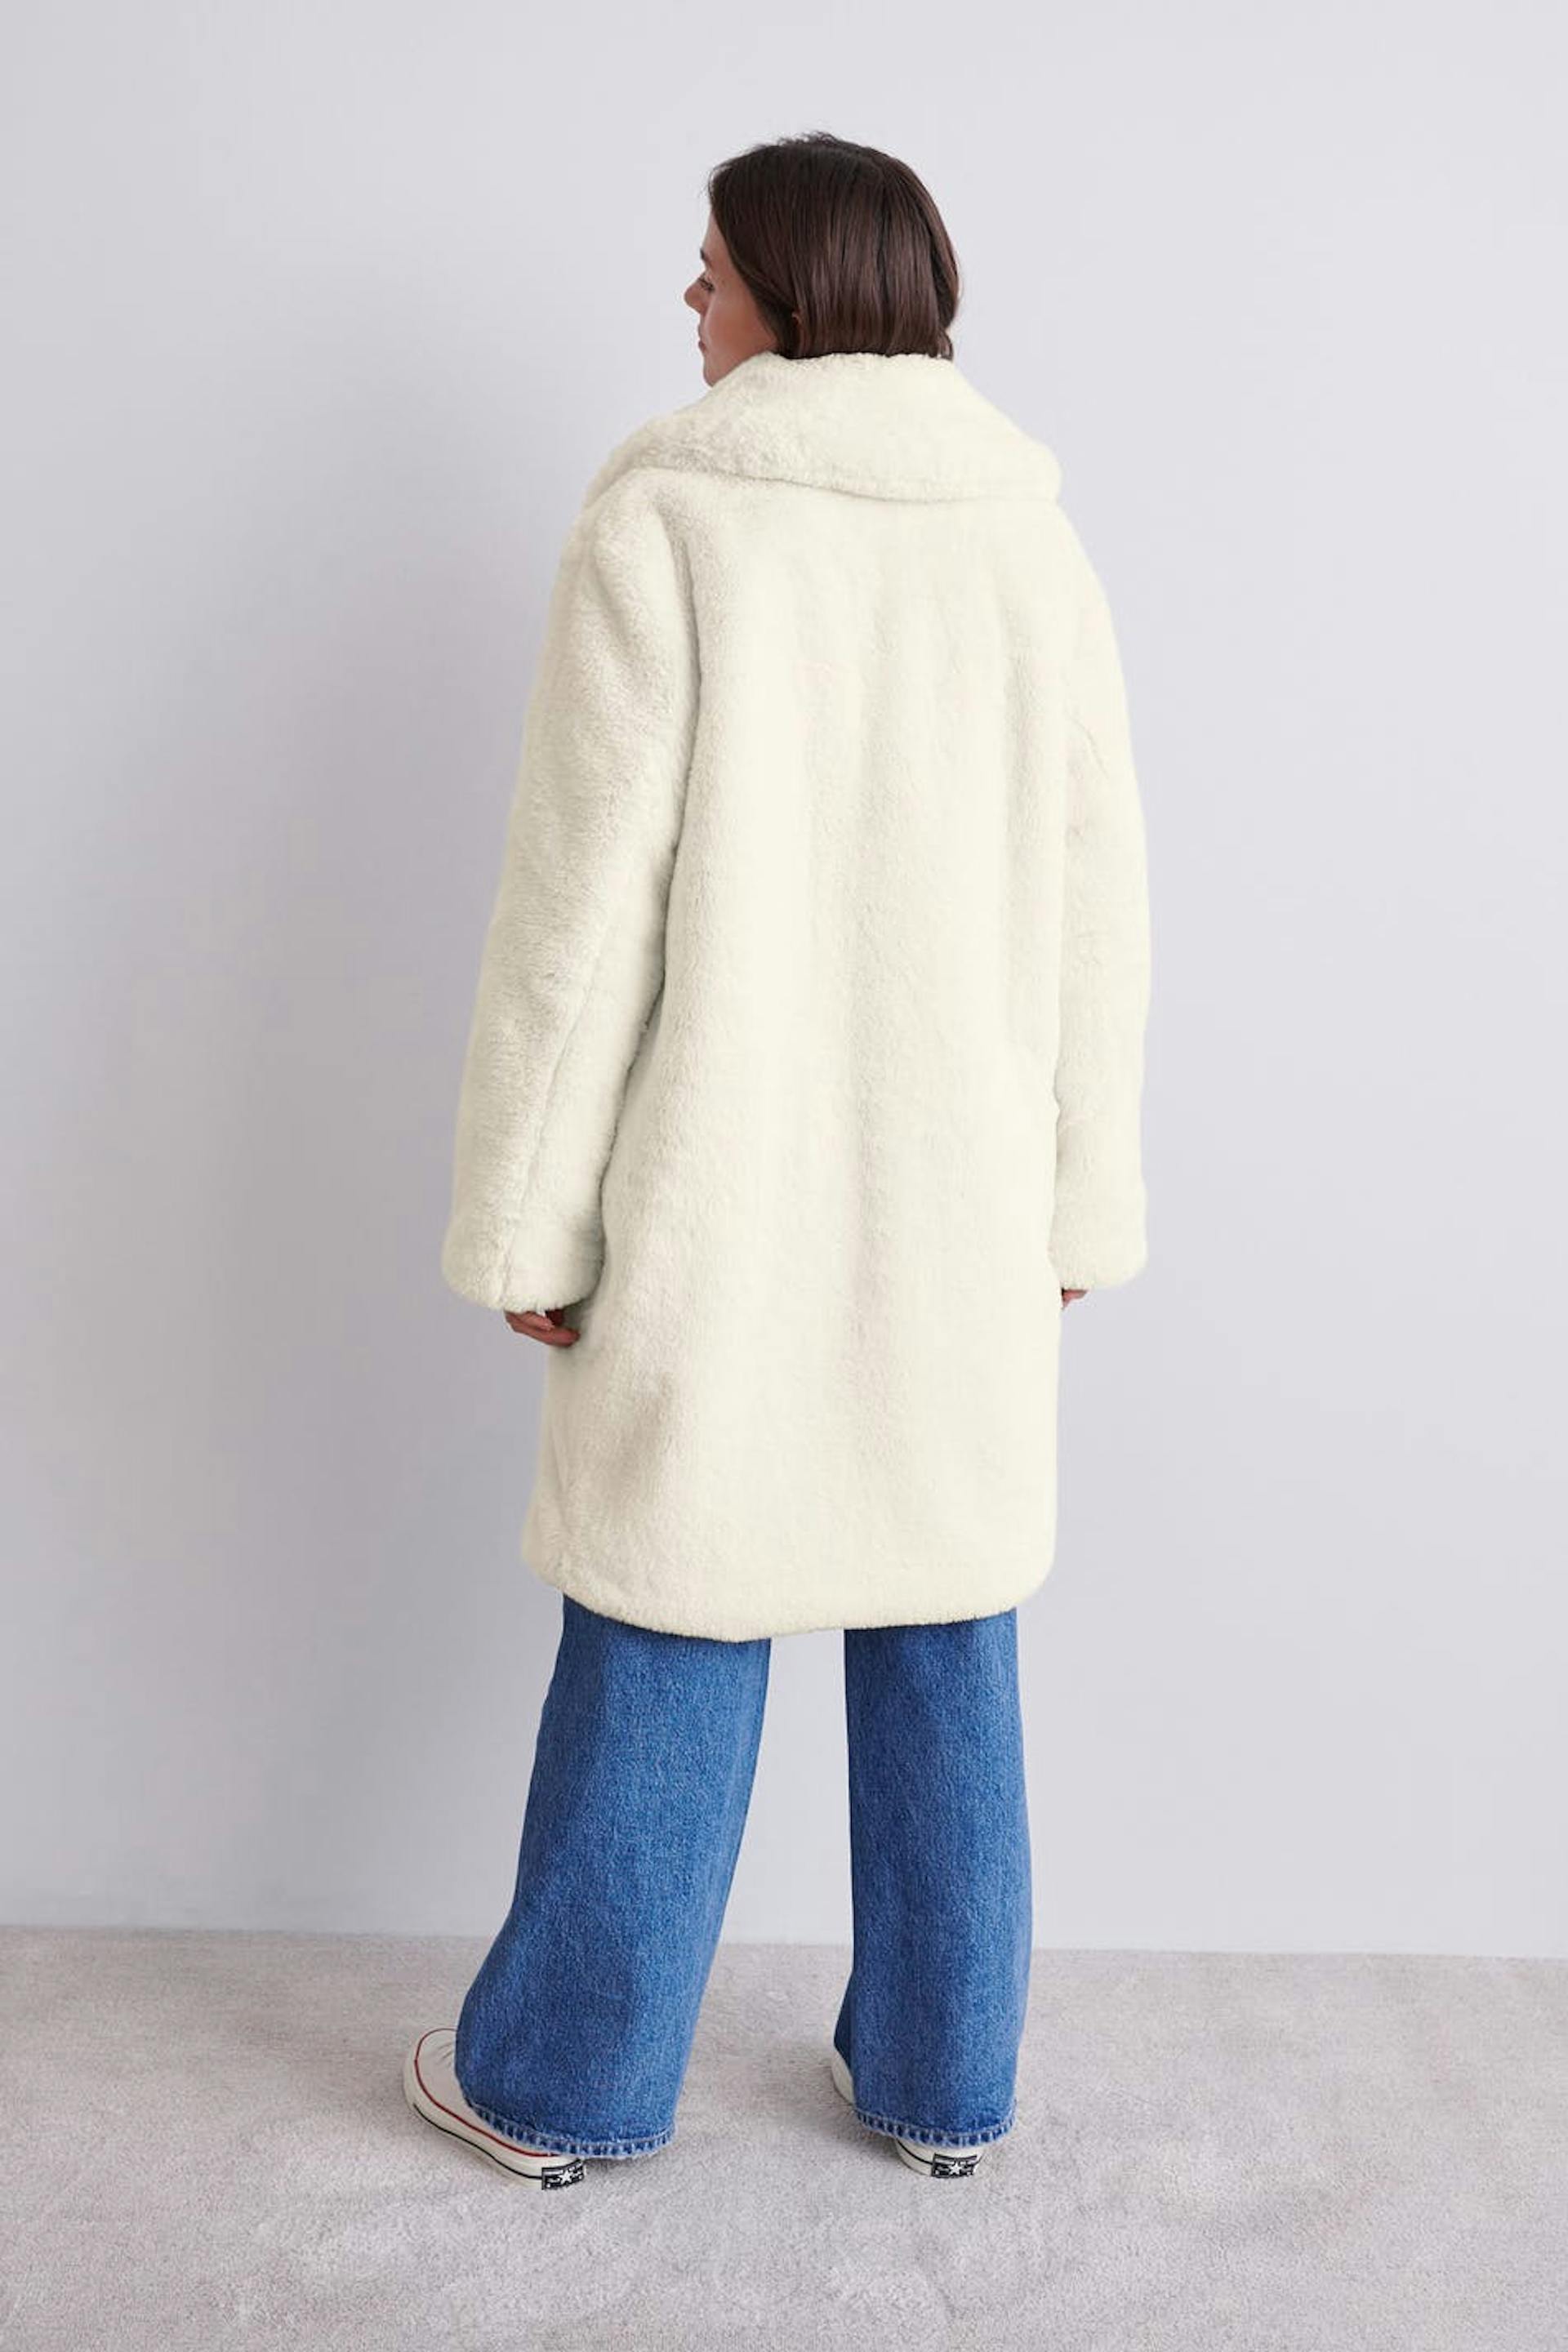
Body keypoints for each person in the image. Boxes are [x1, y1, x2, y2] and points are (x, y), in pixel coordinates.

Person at [404, 131, 1152, 2188]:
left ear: (794, 291)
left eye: (712, 268)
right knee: (946, 1617)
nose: (691, 298)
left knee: (673, 1595)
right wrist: (1082, 1197)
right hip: (964, 1205)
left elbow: (577, 929)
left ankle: (561, 2085)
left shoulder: (675, 521)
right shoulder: (1029, 540)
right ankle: (944, 2085)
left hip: (713, 1198)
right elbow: (1100, 905)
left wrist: (529, 1223)